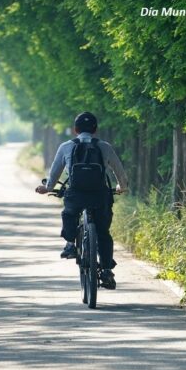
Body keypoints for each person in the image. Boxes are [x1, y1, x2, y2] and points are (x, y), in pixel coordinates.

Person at [35, 112, 128, 289]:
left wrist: (47, 188)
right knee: (103, 232)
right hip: (100, 195)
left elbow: (54, 173)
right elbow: (119, 171)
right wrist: (121, 187)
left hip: (76, 194)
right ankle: (107, 269)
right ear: (95, 129)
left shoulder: (66, 146)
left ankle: (70, 244)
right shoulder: (104, 146)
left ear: (75, 130)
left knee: (69, 213)